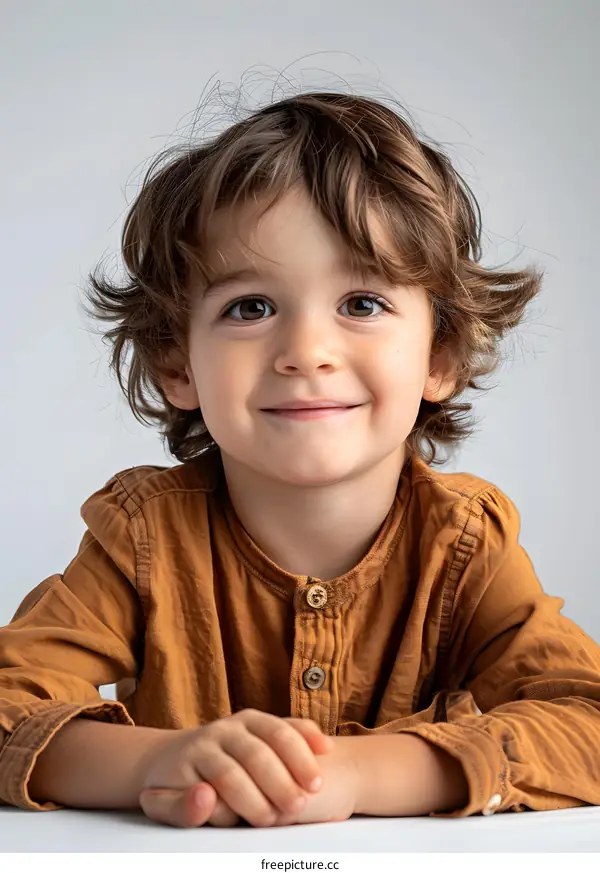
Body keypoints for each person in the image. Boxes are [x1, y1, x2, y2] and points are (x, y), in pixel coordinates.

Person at [1, 91, 599, 830]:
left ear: (440, 354)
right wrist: (159, 760)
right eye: (250, 307)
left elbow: (587, 721)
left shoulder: (465, 543)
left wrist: (362, 773)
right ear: (176, 361)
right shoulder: (143, 536)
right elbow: (7, 702)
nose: (306, 353)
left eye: (362, 303)